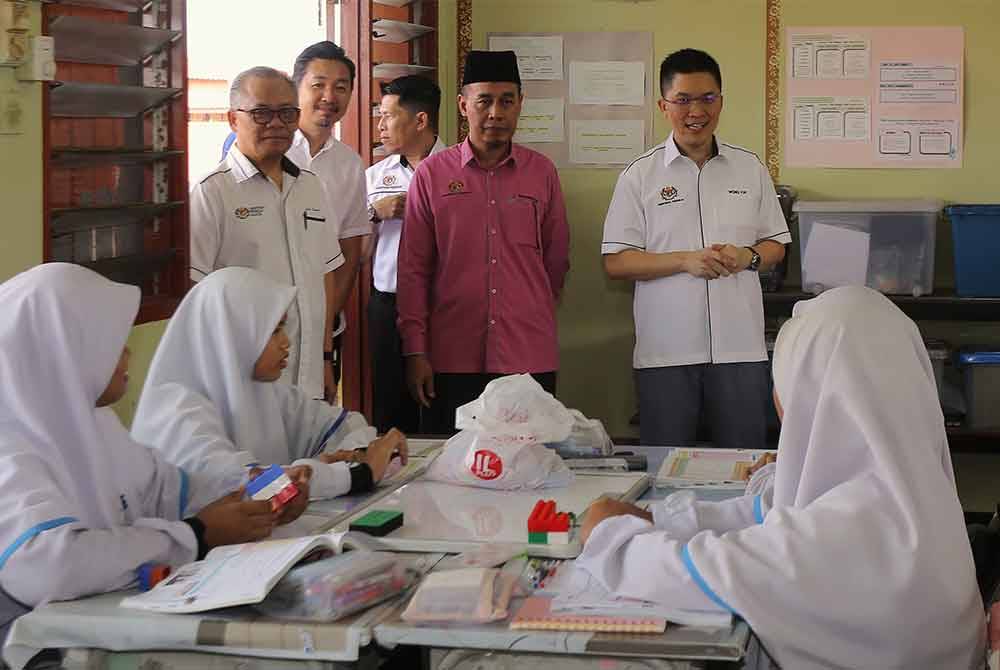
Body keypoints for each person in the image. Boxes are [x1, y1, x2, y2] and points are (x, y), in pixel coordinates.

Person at [576, 286, 985, 669]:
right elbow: (768, 511)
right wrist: (661, 520)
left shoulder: (834, 538)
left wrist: (610, 536)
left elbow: (680, 572)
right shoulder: (914, 494)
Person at [0, 264, 300, 641]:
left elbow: (171, 490)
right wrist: (195, 536)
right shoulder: (9, 448)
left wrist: (256, 498)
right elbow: (49, 567)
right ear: (65, 350)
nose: (127, 353)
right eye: (112, 342)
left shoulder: (96, 424)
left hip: (100, 627)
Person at [601, 48, 790, 449]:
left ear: (720, 100)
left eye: (708, 98)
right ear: (663, 105)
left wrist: (748, 257)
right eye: (683, 100)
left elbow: (776, 244)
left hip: (741, 350)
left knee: (745, 463)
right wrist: (684, 261)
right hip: (666, 353)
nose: (696, 111)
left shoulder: (750, 167)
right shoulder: (640, 175)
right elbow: (616, 261)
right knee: (665, 466)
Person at [397, 50, 570, 434]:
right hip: (451, 356)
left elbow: (556, 260)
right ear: (463, 105)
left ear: (520, 104)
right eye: (484, 101)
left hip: (527, 355)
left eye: (507, 101)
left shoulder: (542, 173)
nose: (496, 113)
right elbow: (412, 269)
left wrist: (530, 304)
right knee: (453, 475)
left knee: (531, 470)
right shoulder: (431, 175)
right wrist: (416, 350)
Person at [132, 267, 408, 500]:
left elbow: (346, 425)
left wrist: (357, 453)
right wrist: (355, 473)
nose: (286, 341)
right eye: (274, 331)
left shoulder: (265, 391)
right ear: (232, 337)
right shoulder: (176, 413)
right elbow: (254, 489)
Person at [190, 66, 343, 402]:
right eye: (261, 113)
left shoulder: (311, 186)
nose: (277, 123)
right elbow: (194, 294)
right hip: (246, 386)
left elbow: (325, 274)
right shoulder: (212, 192)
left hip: (309, 376)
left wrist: (325, 357)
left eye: (287, 113)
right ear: (233, 119)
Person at [284, 42, 373, 400]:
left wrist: (326, 317)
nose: (329, 96)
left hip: (324, 325)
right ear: (296, 87)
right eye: (318, 84)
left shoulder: (350, 164)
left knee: (316, 416)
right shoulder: (272, 150)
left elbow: (349, 251)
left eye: (341, 86)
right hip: (269, 322)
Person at [366, 75, 446, 434]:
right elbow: (346, 244)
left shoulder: (460, 171)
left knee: (443, 406)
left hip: (445, 305)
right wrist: (375, 211)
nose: (380, 126)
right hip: (389, 306)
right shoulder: (373, 176)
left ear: (420, 120)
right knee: (392, 410)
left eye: (388, 116)